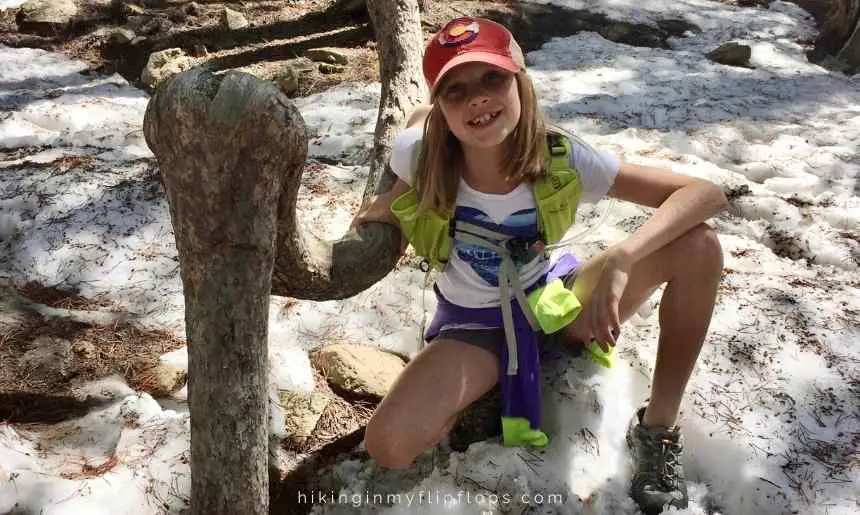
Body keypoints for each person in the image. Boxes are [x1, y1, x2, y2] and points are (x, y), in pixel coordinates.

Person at [353, 16, 727, 514]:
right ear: (442, 110)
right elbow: (412, 134)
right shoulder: (420, 156)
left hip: (555, 301)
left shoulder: (561, 155)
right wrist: (393, 198)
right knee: (389, 445)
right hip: (475, 328)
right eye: (455, 90)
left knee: (700, 245)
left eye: (493, 78)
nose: (478, 99)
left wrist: (623, 256)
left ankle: (658, 429)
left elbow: (705, 193)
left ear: (520, 82)